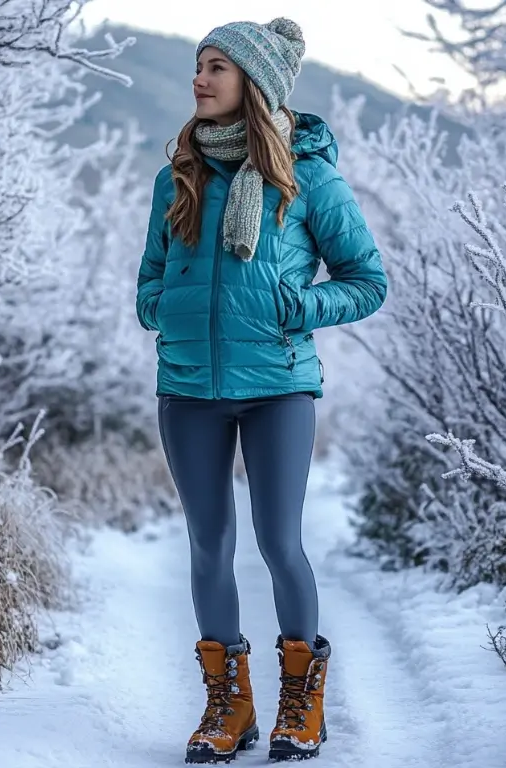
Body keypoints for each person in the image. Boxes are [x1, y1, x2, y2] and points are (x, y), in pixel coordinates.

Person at [134, 17, 387, 765]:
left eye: (217, 67)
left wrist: (297, 308)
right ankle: (228, 704)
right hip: (187, 386)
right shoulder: (175, 173)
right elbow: (150, 278)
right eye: (198, 65)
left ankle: (300, 703)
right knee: (209, 544)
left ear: (255, 83)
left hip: (277, 385)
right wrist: (165, 311)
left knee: (279, 542)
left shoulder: (308, 178)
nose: (200, 78)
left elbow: (367, 282)